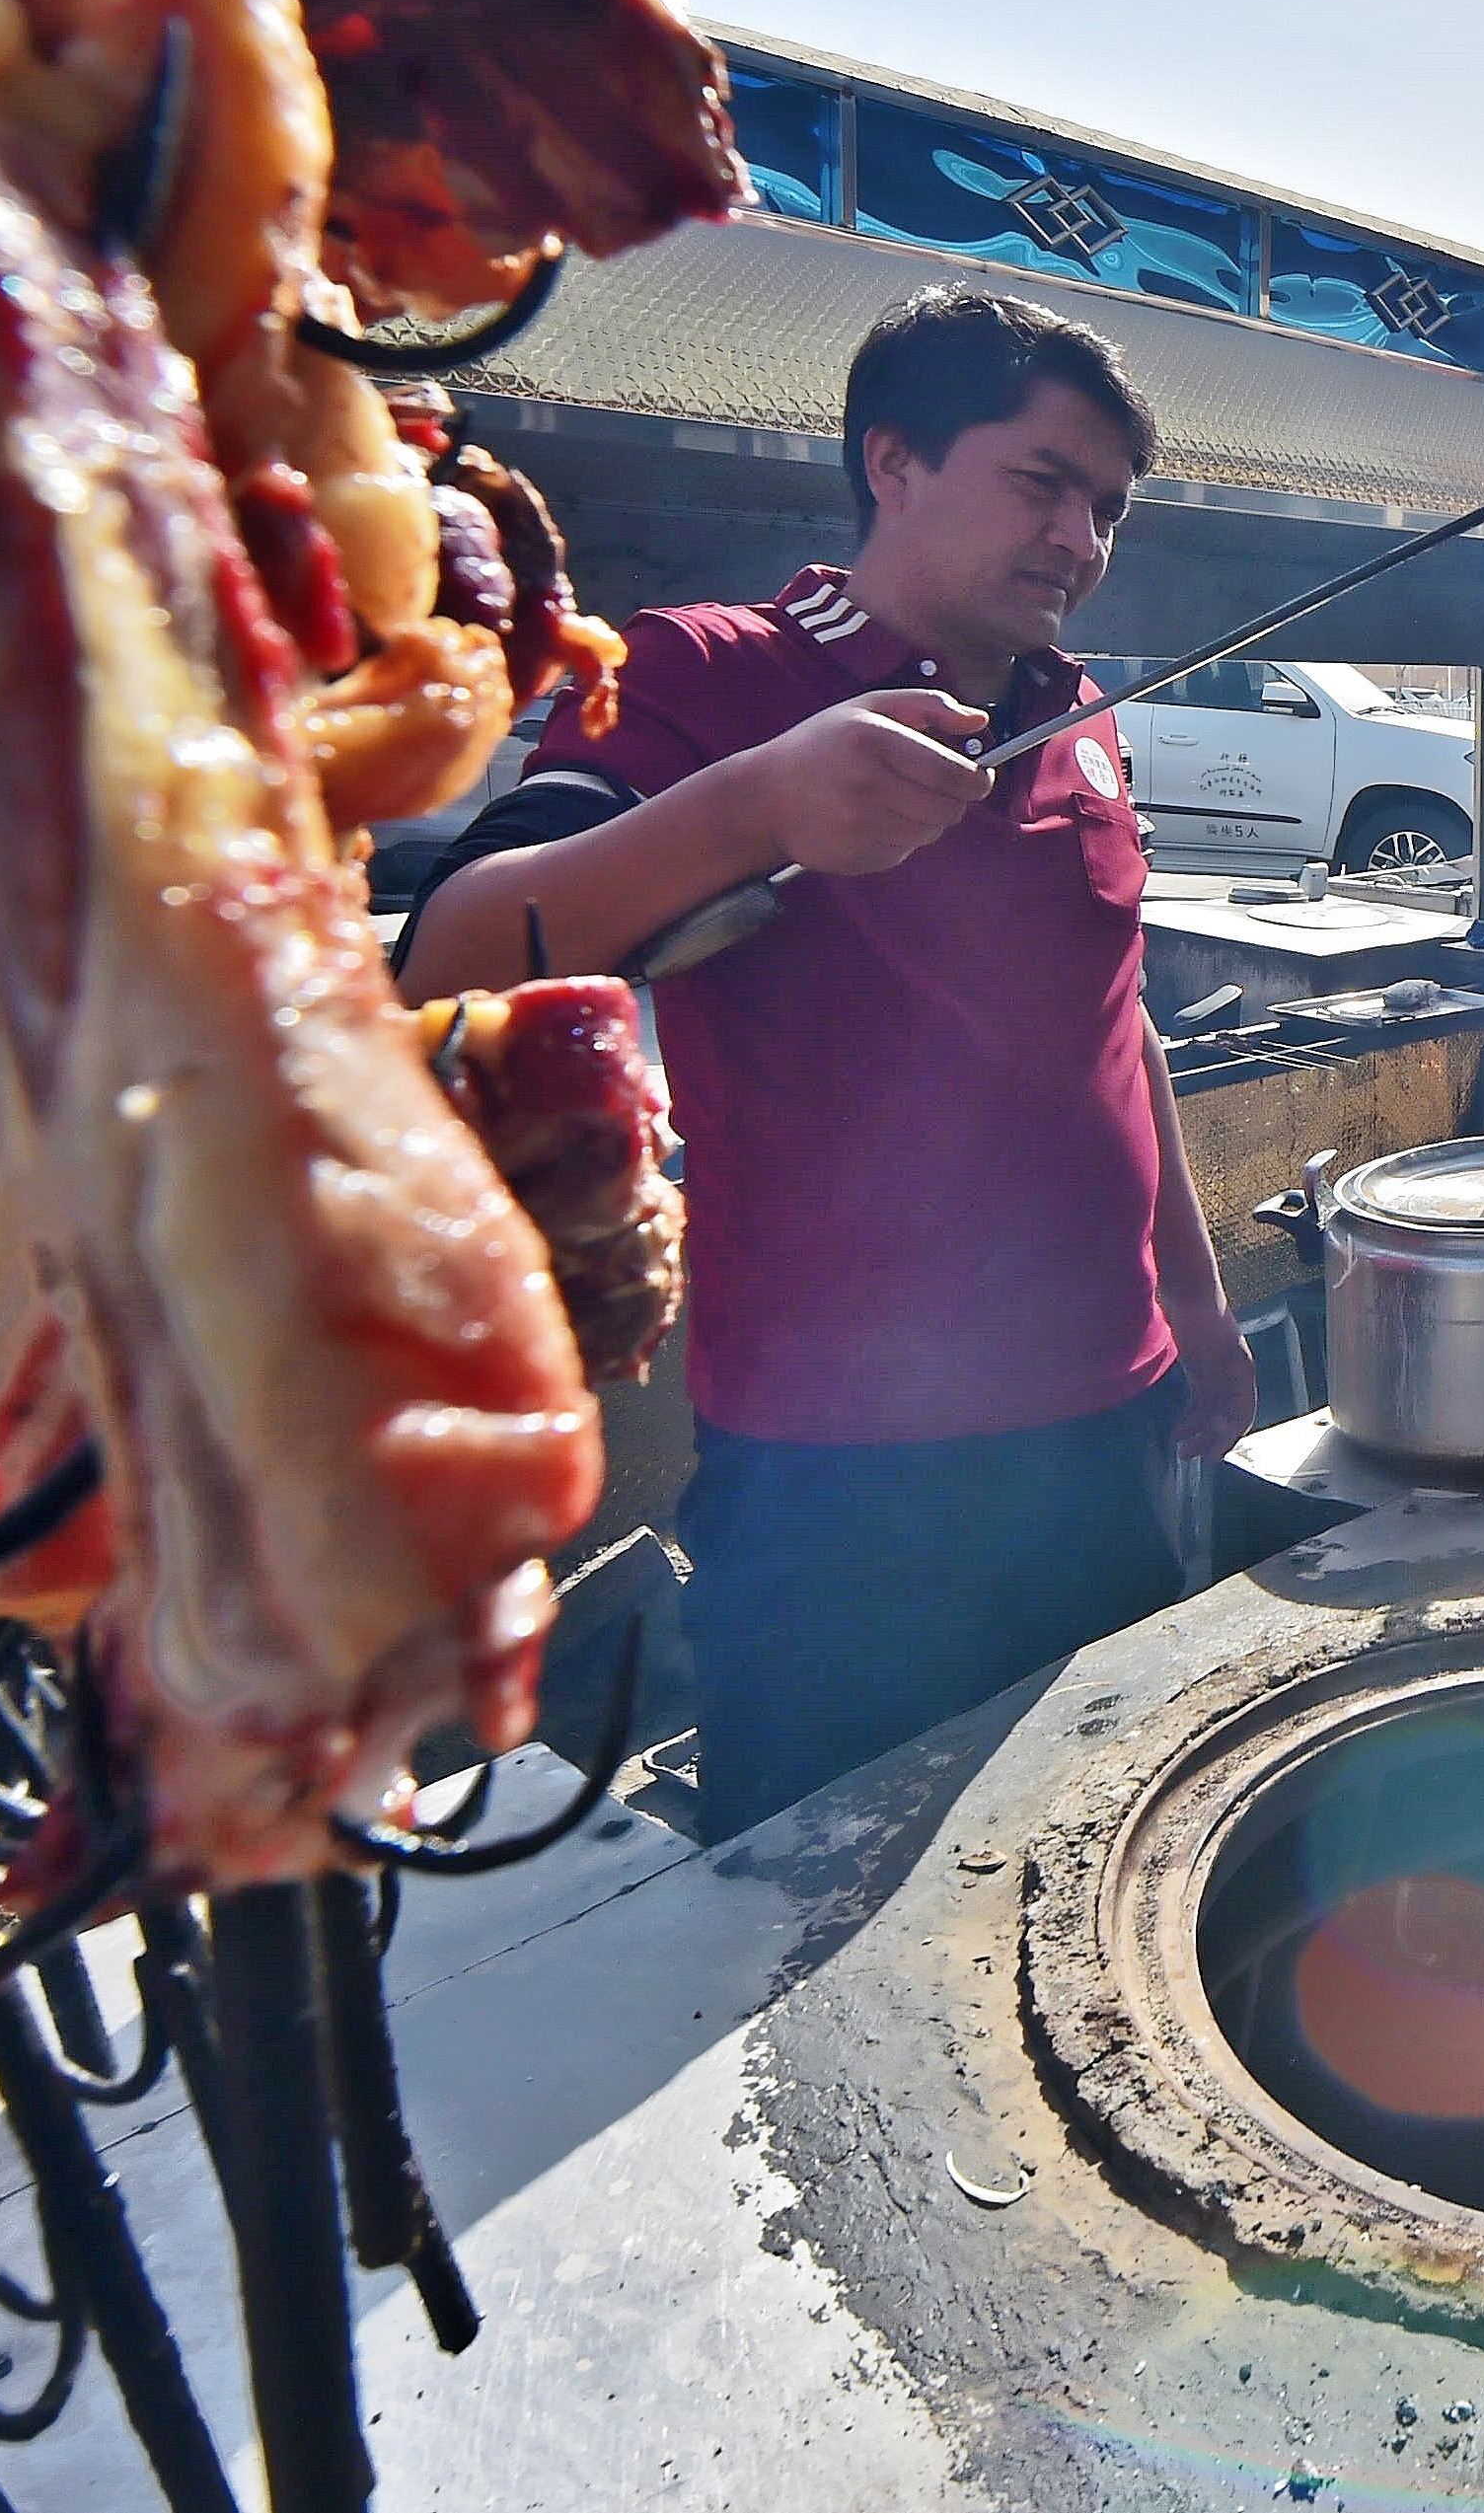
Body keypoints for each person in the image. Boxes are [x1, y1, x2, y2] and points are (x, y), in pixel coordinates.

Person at [395, 286, 1261, 1842]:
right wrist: (755, 806)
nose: (1078, 539)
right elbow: (449, 963)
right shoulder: (703, 669)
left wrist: (1196, 1303)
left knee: (1085, 1851)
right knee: (821, 1910)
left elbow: (1112, 1017)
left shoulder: (1081, 711)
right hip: (839, 1479)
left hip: (1110, 1427)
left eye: (1107, 508)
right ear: (894, 460)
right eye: (1041, 481)